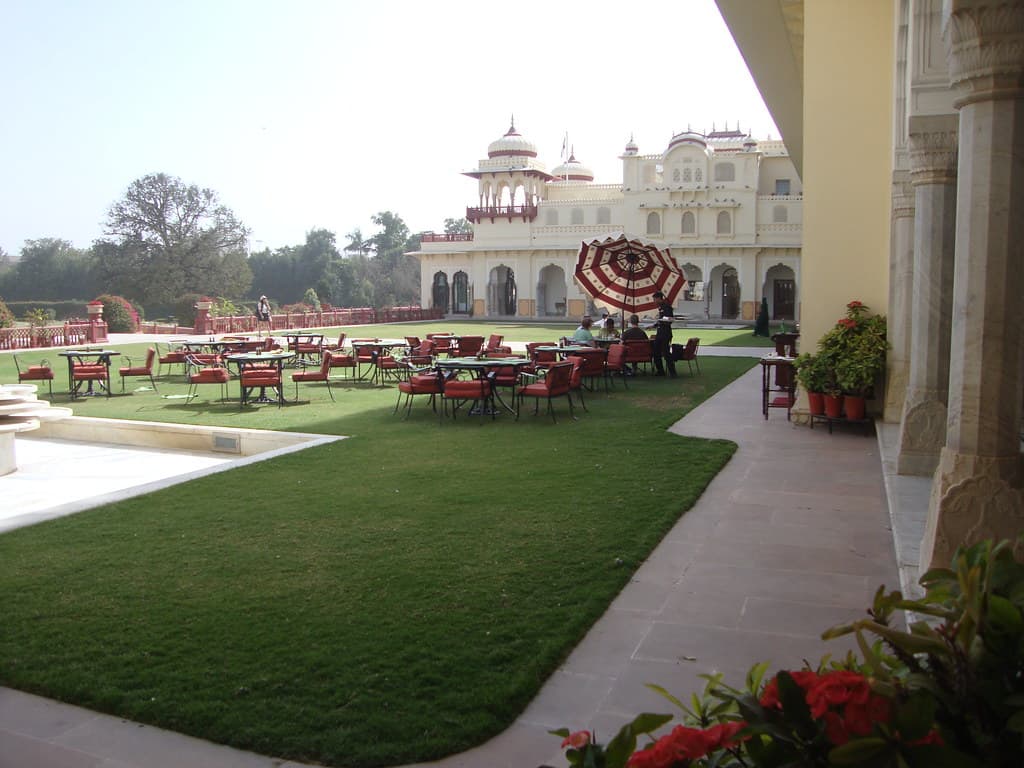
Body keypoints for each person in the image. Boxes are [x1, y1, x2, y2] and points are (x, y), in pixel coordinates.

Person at [651, 291, 677, 377]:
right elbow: (660, 320)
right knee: (656, 352)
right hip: (659, 333)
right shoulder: (660, 308)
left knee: (666, 352)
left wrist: (663, 321)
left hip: (665, 333)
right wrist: (654, 325)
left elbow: (669, 319)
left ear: (659, 298)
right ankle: (660, 371)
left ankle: (672, 372)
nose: (654, 301)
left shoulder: (666, 307)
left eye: (654, 299)